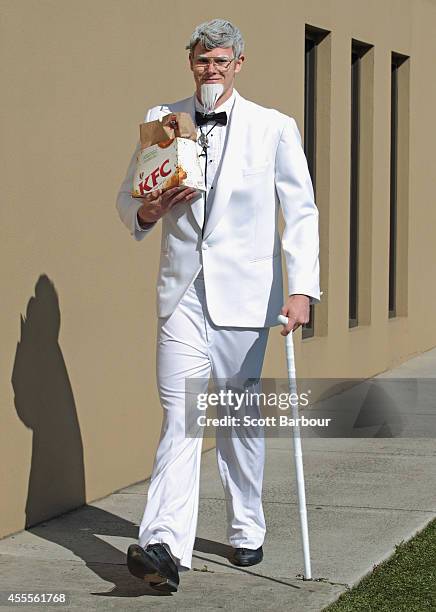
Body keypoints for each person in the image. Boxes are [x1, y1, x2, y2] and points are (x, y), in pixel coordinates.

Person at [116, 18, 320, 593]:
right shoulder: (163, 120)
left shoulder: (274, 127)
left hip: (248, 300)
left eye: (222, 61)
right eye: (203, 60)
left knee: (236, 419)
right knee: (180, 416)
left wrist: (302, 289)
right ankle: (163, 547)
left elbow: (300, 211)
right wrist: (150, 211)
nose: (212, 70)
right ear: (191, 62)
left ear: (239, 64)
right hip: (182, 294)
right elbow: (128, 198)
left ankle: (246, 525)